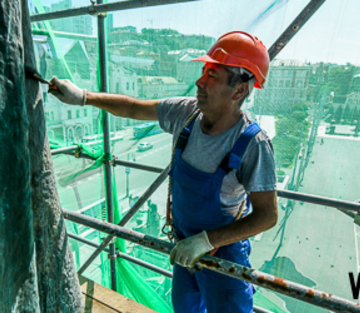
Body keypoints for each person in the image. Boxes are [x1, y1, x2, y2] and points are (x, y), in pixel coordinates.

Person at [48, 31, 278, 313]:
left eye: (213, 75)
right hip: (184, 246)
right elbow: (132, 107)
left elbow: (267, 215)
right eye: (203, 71)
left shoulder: (252, 143)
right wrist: (84, 97)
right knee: (185, 309)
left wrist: (206, 241)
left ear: (239, 90)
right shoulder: (186, 113)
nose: (199, 82)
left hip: (223, 255)